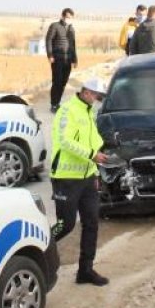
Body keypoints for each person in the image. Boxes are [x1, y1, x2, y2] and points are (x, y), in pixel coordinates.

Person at [50, 78, 110, 286]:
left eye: (98, 96)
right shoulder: (67, 110)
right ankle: (42, 245)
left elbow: (93, 142)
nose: (95, 99)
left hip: (87, 177)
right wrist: (92, 155)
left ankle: (85, 270)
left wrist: (95, 171)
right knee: (64, 225)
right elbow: (66, 141)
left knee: (92, 222)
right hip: (66, 178)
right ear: (84, 91)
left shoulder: (89, 111)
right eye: (93, 94)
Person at [45, 8, 78, 112]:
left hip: (67, 60)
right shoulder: (55, 26)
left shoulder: (71, 29)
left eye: (71, 18)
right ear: (63, 16)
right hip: (57, 59)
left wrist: (75, 59)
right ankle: (53, 104)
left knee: (63, 82)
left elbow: (73, 45)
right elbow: (48, 40)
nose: (69, 19)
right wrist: (50, 55)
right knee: (57, 82)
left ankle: (58, 102)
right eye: (68, 17)